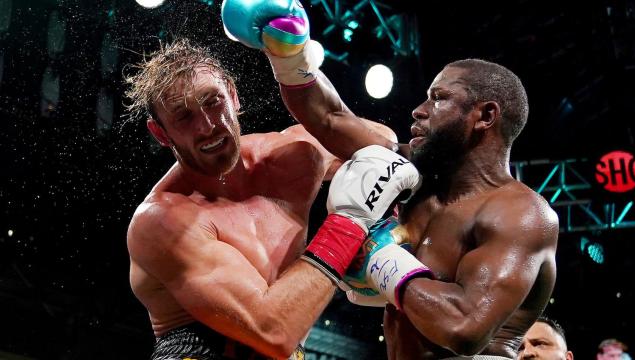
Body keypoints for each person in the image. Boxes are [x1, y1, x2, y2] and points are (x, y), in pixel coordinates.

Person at [222, 0, 560, 358]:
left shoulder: (522, 215)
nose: (419, 109)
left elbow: (463, 328)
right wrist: (291, 55)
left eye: (438, 98)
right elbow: (331, 118)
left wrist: (379, 258)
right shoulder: (412, 174)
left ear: (485, 115)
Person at [124, 38, 421, 359]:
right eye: (184, 117)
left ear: (233, 97)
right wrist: (349, 224)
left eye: (213, 102)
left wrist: (296, 71)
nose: (207, 126)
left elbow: (383, 145)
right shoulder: (163, 221)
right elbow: (273, 330)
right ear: (161, 133)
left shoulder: (293, 156)